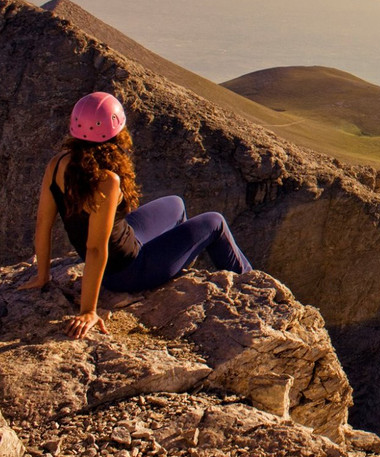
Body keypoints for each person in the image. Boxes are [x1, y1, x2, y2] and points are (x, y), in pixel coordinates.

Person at [19, 91, 252, 338]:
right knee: (215, 222)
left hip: (126, 243)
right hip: (127, 272)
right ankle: (248, 283)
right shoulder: (106, 180)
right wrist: (88, 310)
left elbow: (43, 224)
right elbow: (96, 249)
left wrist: (42, 275)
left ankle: (173, 260)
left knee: (176, 204)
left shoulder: (57, 163)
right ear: (117, 131)